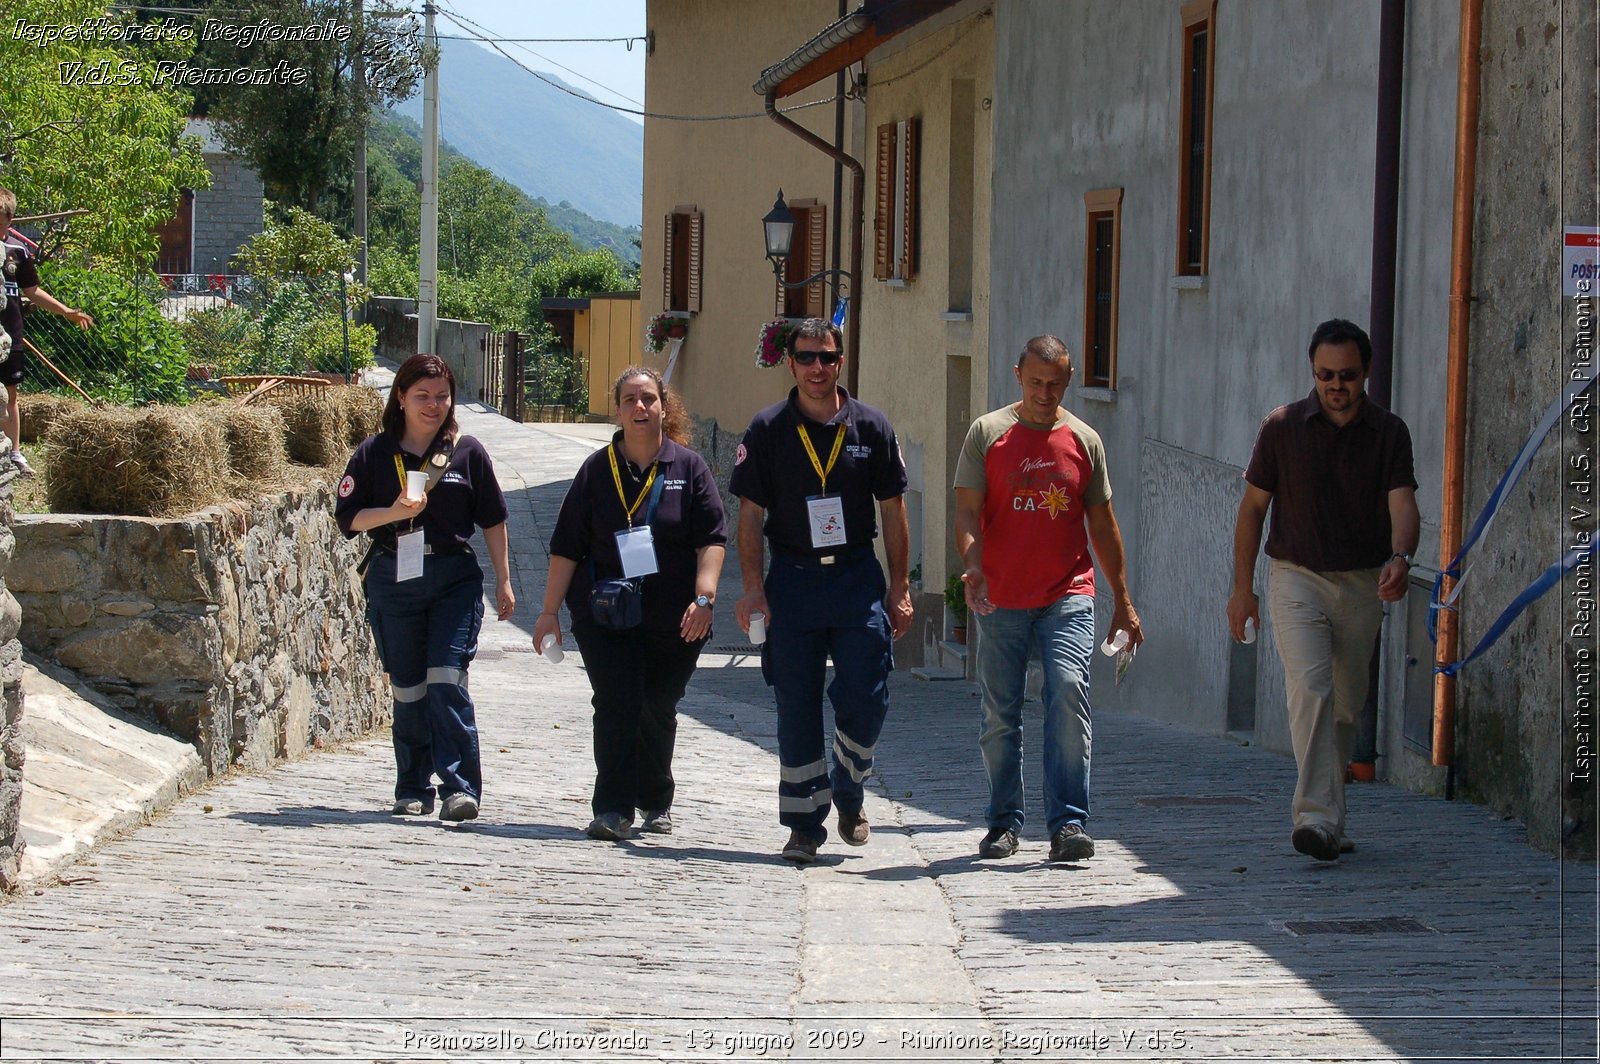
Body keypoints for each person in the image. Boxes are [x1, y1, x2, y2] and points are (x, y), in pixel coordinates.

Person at [1228, 318, 1419, 862]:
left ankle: (1330, 822)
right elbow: (1252, 512)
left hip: (1362, 583)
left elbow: (1403, 504)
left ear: (1367, 373)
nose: (1337, 385)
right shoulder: (1282, 428)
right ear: (1313, 373)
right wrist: (1243, 589)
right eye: (1325, 375)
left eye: (1348, 376)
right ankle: (1314, 817)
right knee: (1311, 690)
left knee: (1344, 707)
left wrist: (1402, 558)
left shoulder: (1390, 433)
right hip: (1296, 577)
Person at [953, 334, 1142, 864]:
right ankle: (1002, 824)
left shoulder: (1084, 441)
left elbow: (1102, 526)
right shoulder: (987, 434)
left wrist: (1123, 599)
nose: (1044, 393)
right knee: (1000, 712)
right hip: (1001, 596)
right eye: (1035, 382)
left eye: (1055, 384)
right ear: (1018, 375)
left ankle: (1068, 824)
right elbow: (967, 512)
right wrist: (972, 564)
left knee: (1067, 695)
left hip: (1068, 593)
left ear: (1069, 378)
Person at [731, 317, 914, 864]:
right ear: (790, 364)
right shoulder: (766, 430)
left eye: (827, 358)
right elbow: (749, 516)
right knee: (796, 705)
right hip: (793, 581)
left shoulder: (872, 428)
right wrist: (752, 589)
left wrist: (900, 587)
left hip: (857, 580)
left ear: (840, 362)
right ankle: (804, 824)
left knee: (867, 694)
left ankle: (850, 788)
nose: (817, 368)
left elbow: (895, 511)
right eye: (806, 357)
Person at [535, 367, 727, 841]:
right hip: (605, 614)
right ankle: (613, 808)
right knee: (618, 702)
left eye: (648, 399)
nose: (639, 408)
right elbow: (566, 545)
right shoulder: (596, 471)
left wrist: (705, 597)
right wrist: (548, 612)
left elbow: (712, 539)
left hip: (676, 616)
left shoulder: (688, 468)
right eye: (629, 400)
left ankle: (656, 798)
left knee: (658, 705)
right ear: (617, 409)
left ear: (665, 405)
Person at [335, 354, 515, 822]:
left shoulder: (467, 452)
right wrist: (395, 512)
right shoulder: (374, 453)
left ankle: (459, 787)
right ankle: (412, 785)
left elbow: (493, 519)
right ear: (400, 397)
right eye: (422, 396)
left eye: (441, 396)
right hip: (394, 578)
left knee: (446, 677)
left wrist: (505, 580)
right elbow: (349, 519)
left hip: (453, 578)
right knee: (409, 686)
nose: (433, 405)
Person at [0, 188, 95, 477]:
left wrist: (66, 311)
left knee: (9, 396)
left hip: (10, 333)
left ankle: (13, 452)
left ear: (10, 219)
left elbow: (33, 291)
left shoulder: (18, 251)